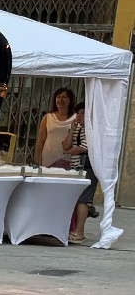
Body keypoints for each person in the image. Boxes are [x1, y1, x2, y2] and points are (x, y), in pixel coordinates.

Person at [64, 102, 96, 242]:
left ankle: (79, 232)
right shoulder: (78, 128)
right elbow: (66, 145)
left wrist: (68, 151)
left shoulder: (92, 129)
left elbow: (83, 148)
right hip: (75, 166)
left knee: (83, 199)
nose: (79, 116)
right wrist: (72, 130)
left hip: (87, 167)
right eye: (78, 113)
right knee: (76, 198)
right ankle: (74, 228)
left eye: (83, 112)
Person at [36, 87, 80, 168]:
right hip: (48, 159)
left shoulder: (75, 118)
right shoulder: (48, 117)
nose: (60, 100)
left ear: (70, 100)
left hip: (67, 159)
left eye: (64, 97)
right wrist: (38, 159)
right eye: (58, 97)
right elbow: (41, 141)